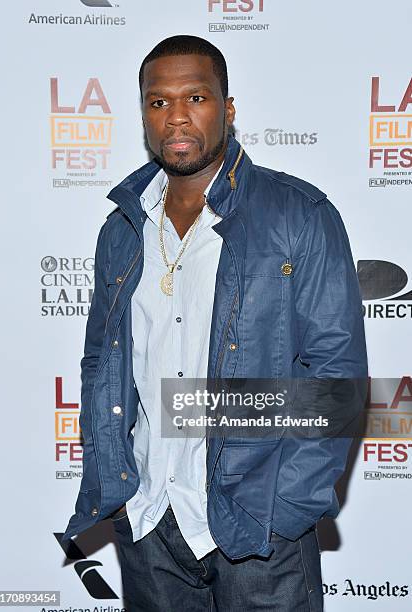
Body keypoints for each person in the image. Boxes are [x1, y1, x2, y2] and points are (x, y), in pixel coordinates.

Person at [62, 35, 368, 611]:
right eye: (158, 102)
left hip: (256, 530)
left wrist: (285, 508)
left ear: (227, 109)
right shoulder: (121, 230)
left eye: (196, 97)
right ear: (143, 115)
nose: (176, 116)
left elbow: (337, 379)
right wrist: (119, 488)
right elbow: (101, 363)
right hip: (150, 518)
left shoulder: (299, 216)